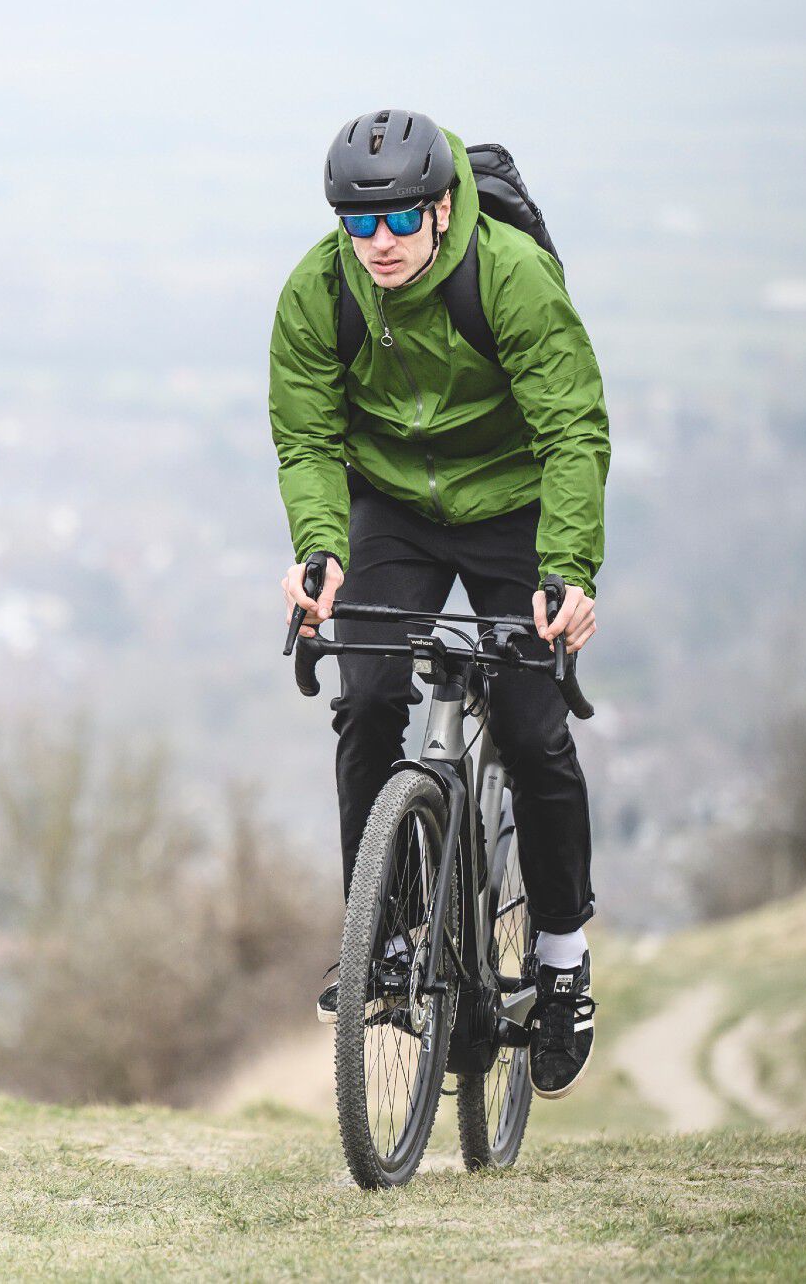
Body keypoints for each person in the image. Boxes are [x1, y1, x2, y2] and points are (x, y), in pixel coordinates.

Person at [267, 108, 609, 1097]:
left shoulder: (507, 276)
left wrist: (569, 568)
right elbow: (308, 441)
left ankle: (559, 961)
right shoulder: (318, 292)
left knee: (534, 728)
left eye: (399, 221)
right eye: (356, 223)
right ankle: (387, 930)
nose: (377, 243)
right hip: (396, 509)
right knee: (367, 695)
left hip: (513, 502)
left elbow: (574, 429)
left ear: (442, 206)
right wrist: (320, 553)